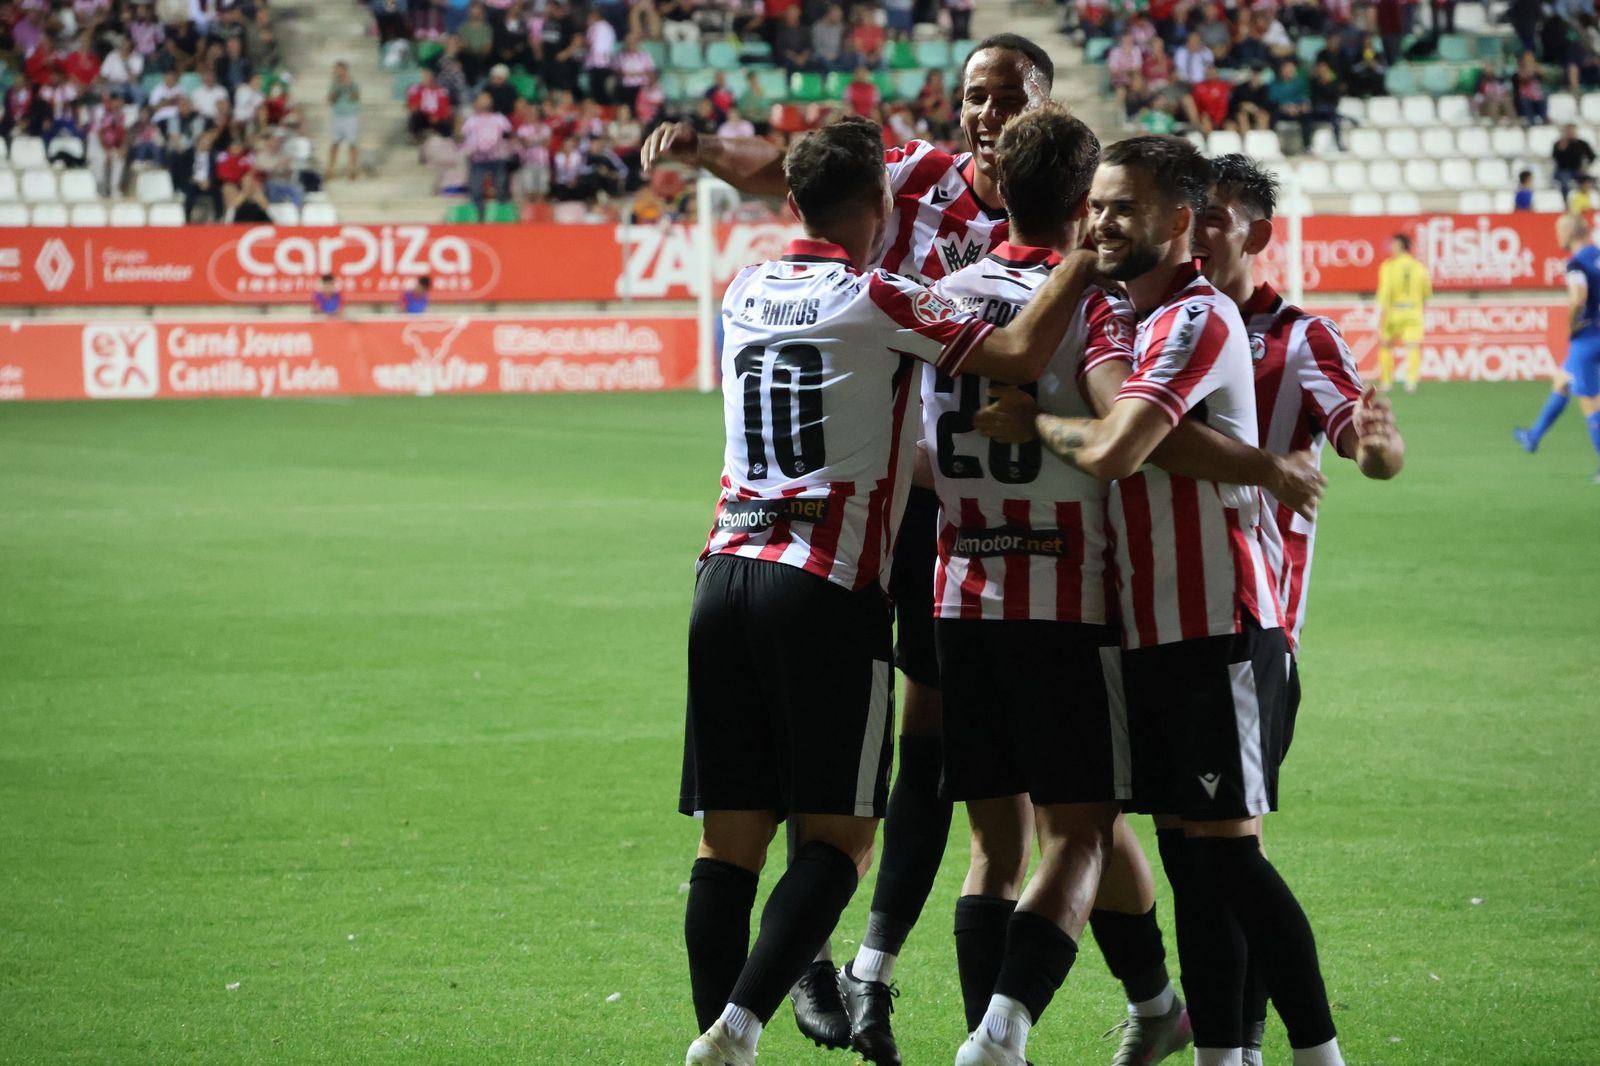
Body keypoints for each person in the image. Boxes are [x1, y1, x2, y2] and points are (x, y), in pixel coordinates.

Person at [647, 35, 1190, 1066]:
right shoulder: (929, 213)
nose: (981, 113)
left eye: (1003, 98)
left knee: (962, 785)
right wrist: (711, 149)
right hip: (911, 546)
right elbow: (1026, 354)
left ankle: (871, 973)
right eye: (972, 95)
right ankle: (868, 978)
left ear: (1040, 108)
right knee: (998, 803)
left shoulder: (753, 288)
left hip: (796, 545)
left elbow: (810, 172)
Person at [930, 112, 1323, 1066]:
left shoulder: (1178, 314)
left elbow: (1115, 444)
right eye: (1097, 207)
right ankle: (1203, 1044)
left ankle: (1299, 1050)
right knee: (1161, 849)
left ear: (1179, 219)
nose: (1104, 224)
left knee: (1208, 853)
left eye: (1125, 210)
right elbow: (1126, 433)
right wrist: (1265, 467)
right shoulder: (1118, 316)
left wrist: (1034, 430)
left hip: (1191, 616)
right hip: (1122, 618)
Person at [1191, 155, 1405, 1056]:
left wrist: (1376, 442)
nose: (1200, 233)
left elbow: (1360, 432)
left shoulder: (1299, 340)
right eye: (1191, 215)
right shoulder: (1150, 318)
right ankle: (1227, 1046)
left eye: (1218, 220)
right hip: (1153, 617)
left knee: (1229, 853)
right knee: (1199, 854)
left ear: (1259, 236)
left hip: (1251, 620)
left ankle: (1276, 1045)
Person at [1513, 213, 1600, 479]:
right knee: (1562, 380)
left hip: (1587, 337)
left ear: (1571, 233)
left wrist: (1572, 322)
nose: (1557, 237)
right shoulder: (1597, 255)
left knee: (1590, 403)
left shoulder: (1576, 264)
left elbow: (1578, 296)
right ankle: (1533, 436)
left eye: (1559, 231)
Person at [1375, 233, 1431, 393]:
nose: (1391, 248)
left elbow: (1385, 290)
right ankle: (1411, 382)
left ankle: (1386, 381)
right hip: (1413, 311)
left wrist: (1377, 311)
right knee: (1412, 345)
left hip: (1394, 311)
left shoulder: (1389, 266)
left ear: (1401, 246)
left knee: (1385, 344)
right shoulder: (1420, 267)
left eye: (1393, 245)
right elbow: (1426, 291)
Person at [459, 90, 512, 215]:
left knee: (500, 187)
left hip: (497, 158)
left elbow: (509, 134)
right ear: (477, 103)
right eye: (481, 99)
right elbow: (462, 136)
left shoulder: (499, 118)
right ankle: (479, 216)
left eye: (486, 99)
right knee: (476, 189)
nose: (484, 102)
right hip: (478, 160)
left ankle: (502, 215)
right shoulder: (471, 120)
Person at [326, 61, 361, 181]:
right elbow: (329, 100)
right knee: (335, 143)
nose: (337, 72)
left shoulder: (353, 84)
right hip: (338, 116)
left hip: (350, 116)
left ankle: (353, 169)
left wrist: (347, 85)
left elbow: (355, 97)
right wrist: (337, 89)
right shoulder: (334, 85)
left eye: (339, 70)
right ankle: (330, 169)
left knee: (352, 144)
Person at [1552, 121, 1594, 202]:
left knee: (1590, 182)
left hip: (1577, 170)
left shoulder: (1582, 144)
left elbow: (1592, 156)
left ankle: (1587, 203)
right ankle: (1566, 204)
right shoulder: (1559, 144)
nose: (1570, 133)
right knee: (1565, 184)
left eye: (1572, 131)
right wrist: (1561, 150)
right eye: (1568, 131)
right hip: (1562, 170)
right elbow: (1554, 158)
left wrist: (1586, 166)